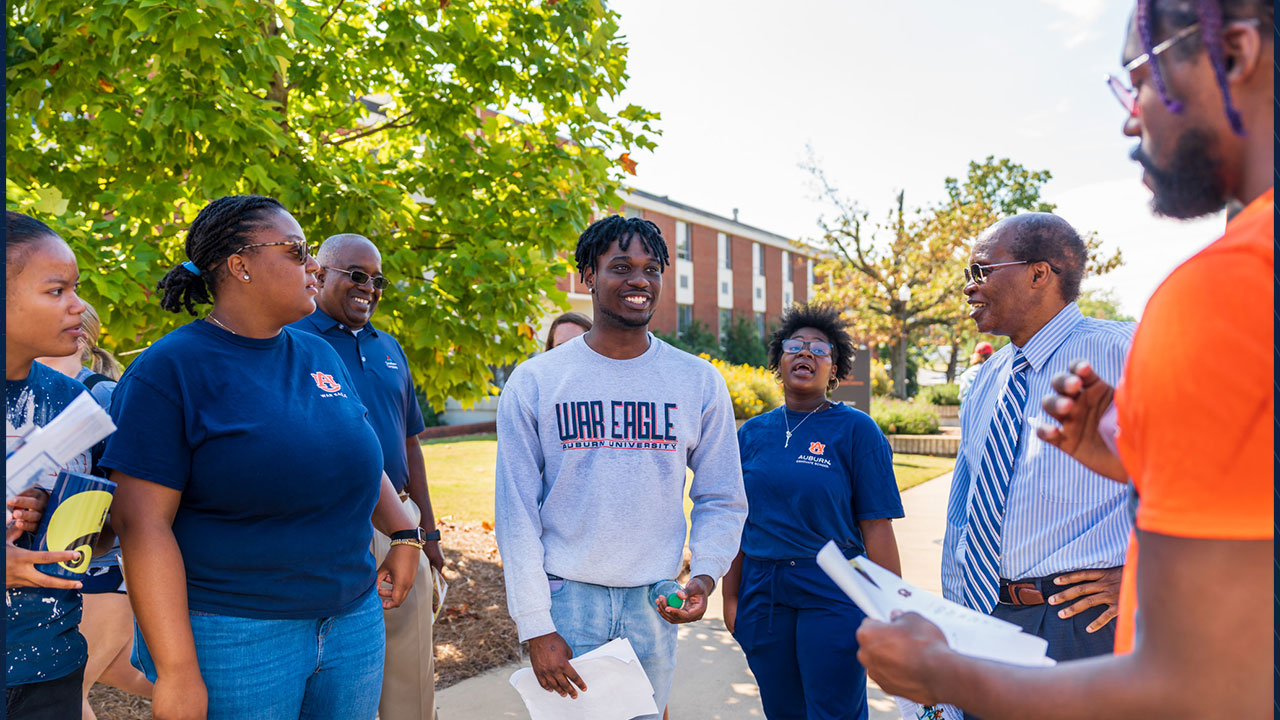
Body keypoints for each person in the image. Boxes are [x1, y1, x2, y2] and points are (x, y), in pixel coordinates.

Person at [856, 2, 1272, 717]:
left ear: (1232, 53)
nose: (1130, 118)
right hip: (991, 613)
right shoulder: (988, 377)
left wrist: (941, 678)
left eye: (1136, 80)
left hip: (1075, 635)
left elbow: (1204, 686)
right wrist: (1138, 469)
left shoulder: (1213, 298)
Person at [101, 195, 422, 720]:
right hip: (236, 635)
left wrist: (405, 533)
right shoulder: (171, 371)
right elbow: (141, 527)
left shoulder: (318, 354)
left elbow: (358, 450)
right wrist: (178, 672)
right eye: (297, 252)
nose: (314, 266)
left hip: (353, 623)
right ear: (240, 265)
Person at [495, 215, 747, 718]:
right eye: (621, 266)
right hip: (566, 601)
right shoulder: (537, 381)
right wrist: (536, 624)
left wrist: (704, 576)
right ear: (588, 275)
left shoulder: (696, 381)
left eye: (652, 268)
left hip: (654, 603)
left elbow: (721, 495)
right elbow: (515, 512)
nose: (640, 280)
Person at [944, 214, 1135, 679]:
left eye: (981, 271)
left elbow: (1214, 473)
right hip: (985, 619)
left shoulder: (1128, 352)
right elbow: (963, 512)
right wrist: (953, 616)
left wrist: (1143, 578)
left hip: (1080, 625)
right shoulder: (985, 378)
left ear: (1037, 273)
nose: (969, 287)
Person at [722, 303, 903, 720]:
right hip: (763, 592)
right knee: (783, 710)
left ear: (834, 369)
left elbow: (877, 526)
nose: (806, 354)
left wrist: (890, 610)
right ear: (778, 360)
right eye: (795, 346)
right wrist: (731, 600)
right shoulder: (751, 434)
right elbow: (737, 520)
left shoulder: (857, 430)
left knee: (833, 711)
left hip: (833, 590)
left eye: (820, 350)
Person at [290, 233, 444, 720]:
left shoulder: (390, 348)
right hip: (330, 526)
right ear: (321, 275)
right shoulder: (292, 340)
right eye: (356, 275)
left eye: (377, 280)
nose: (369, 287)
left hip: (402, 522)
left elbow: (410, 445)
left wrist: (429, 534)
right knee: (335, 673)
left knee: (410, 674)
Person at [34, 302, 153, 719]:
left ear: (79, 336)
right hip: (46, 565)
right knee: (126, 674)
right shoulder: (29, 392)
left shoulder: (100, 393)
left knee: (69, 693)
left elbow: (127, 489)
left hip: (99, 570)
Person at [5, 211, 97, 720]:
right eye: (56, 290)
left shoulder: (73, 401)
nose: (78, 307)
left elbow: (101, 535)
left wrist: (53, 509)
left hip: (53, 668)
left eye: (76, 288)